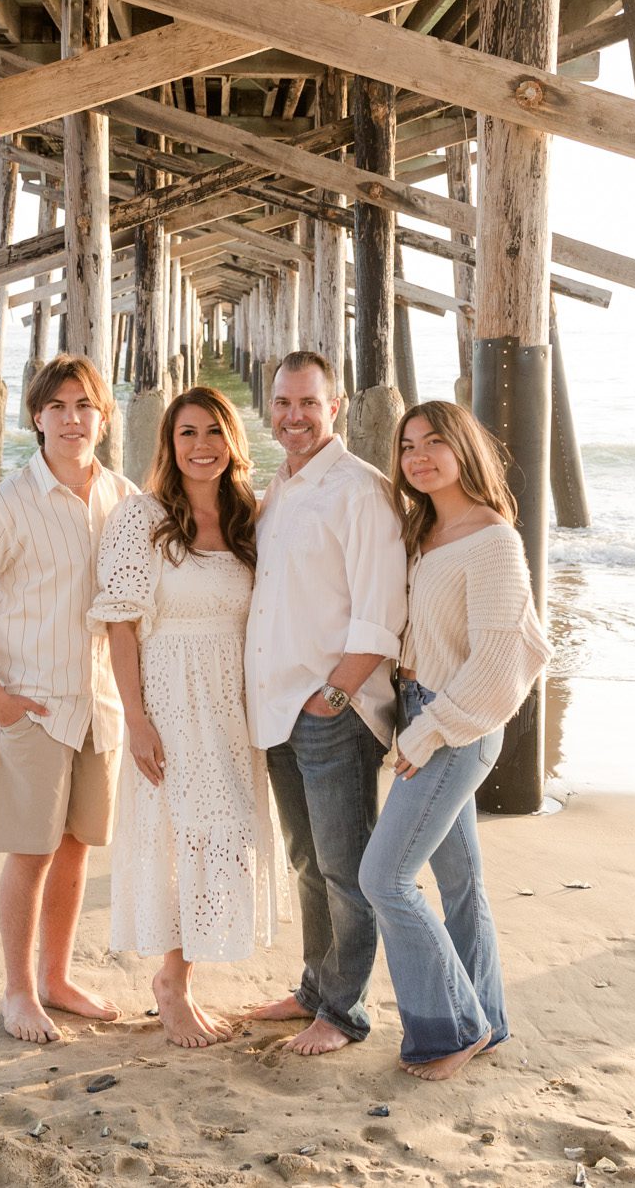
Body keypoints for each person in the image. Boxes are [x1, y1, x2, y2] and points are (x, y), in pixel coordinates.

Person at [0, 354, 137, 1044]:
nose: (73, 417)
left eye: (86, 405)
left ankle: (56, 975)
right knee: (31, 853)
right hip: (34, 706)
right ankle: (18, 990)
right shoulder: (5, 503)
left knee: (77, 848)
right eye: (59, 406)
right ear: (37, 417)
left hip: (99, 707)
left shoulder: (123, 497)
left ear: (104, 418)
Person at [362, 400, 550, 1080]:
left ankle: (451, 1029)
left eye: (434, 442)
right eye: (407, 444)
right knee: (460, 880)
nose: (417, 456)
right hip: (421, 708)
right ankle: (488, 1019)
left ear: (465, 448)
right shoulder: (423, 530)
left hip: (454, 722)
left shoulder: (492, 538)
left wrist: (430, 727)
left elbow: (505, 656)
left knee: (384, 876)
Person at [90, 387, 283, 1048]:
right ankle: (171, 984)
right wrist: (136, 718)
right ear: (169, 446)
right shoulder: (142, 518)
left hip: (232, 703)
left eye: (213, 431)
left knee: (220, 832)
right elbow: (118, 624)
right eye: (186, 433)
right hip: (169, 698)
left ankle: (180, 978)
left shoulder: (250, 519)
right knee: (179, 836)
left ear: (233, 440)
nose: (201, 445)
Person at [244, 351, 407, 1056]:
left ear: (334, 406)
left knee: (345, 865)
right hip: (279, 708)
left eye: (309, 402)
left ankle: (344, 1012)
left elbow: (382, 610)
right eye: (283, 403)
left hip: (331, 712)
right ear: (269, 408)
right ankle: (314, 986)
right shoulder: (277, 489)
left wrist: (336, 692)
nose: (294, 416)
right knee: (306, 859)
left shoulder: (360, 490)